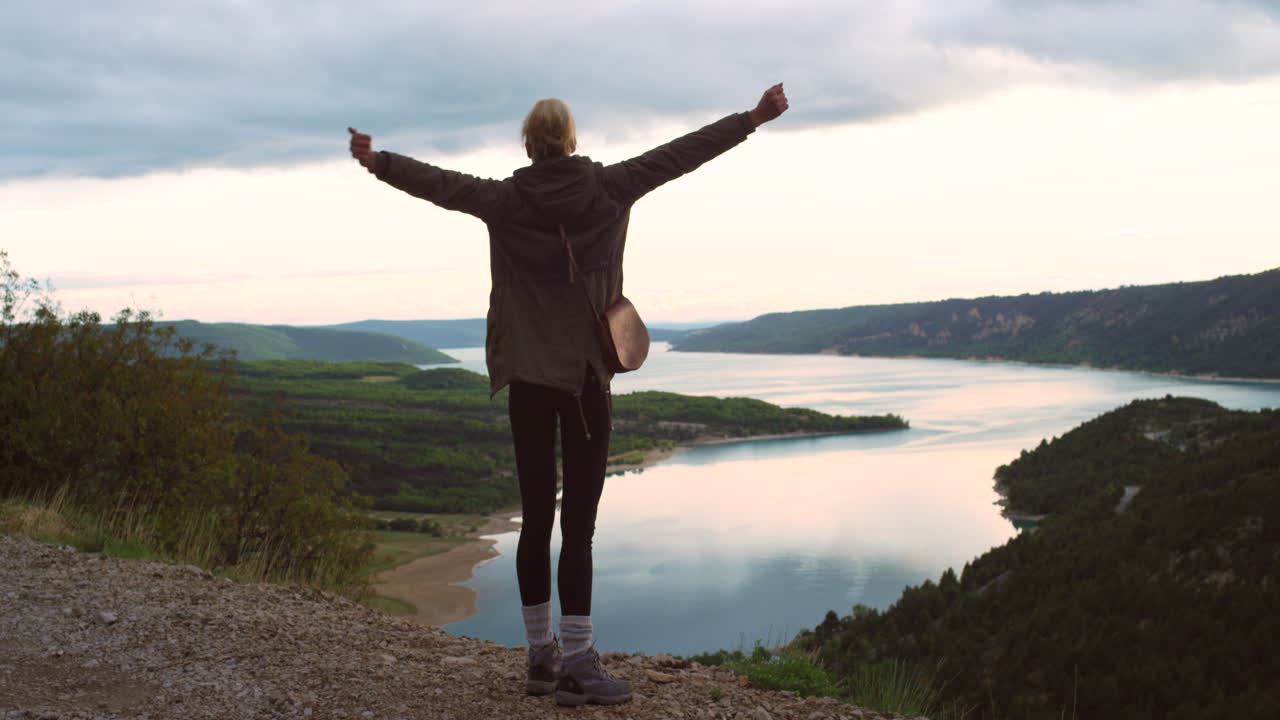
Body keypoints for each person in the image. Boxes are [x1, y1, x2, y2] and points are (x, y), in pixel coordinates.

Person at [348, 83, 789, 706]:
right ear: (573, 142)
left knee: (535, 519)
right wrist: (752, 118)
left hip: (528, 380)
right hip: (585, 381)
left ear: (529, 146)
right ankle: (578, 661)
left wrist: (379, 162)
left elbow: (439, 184)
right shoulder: (610, 187)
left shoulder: (503, 199)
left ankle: (539, 658)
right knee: (577, 528)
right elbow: (683, 152)